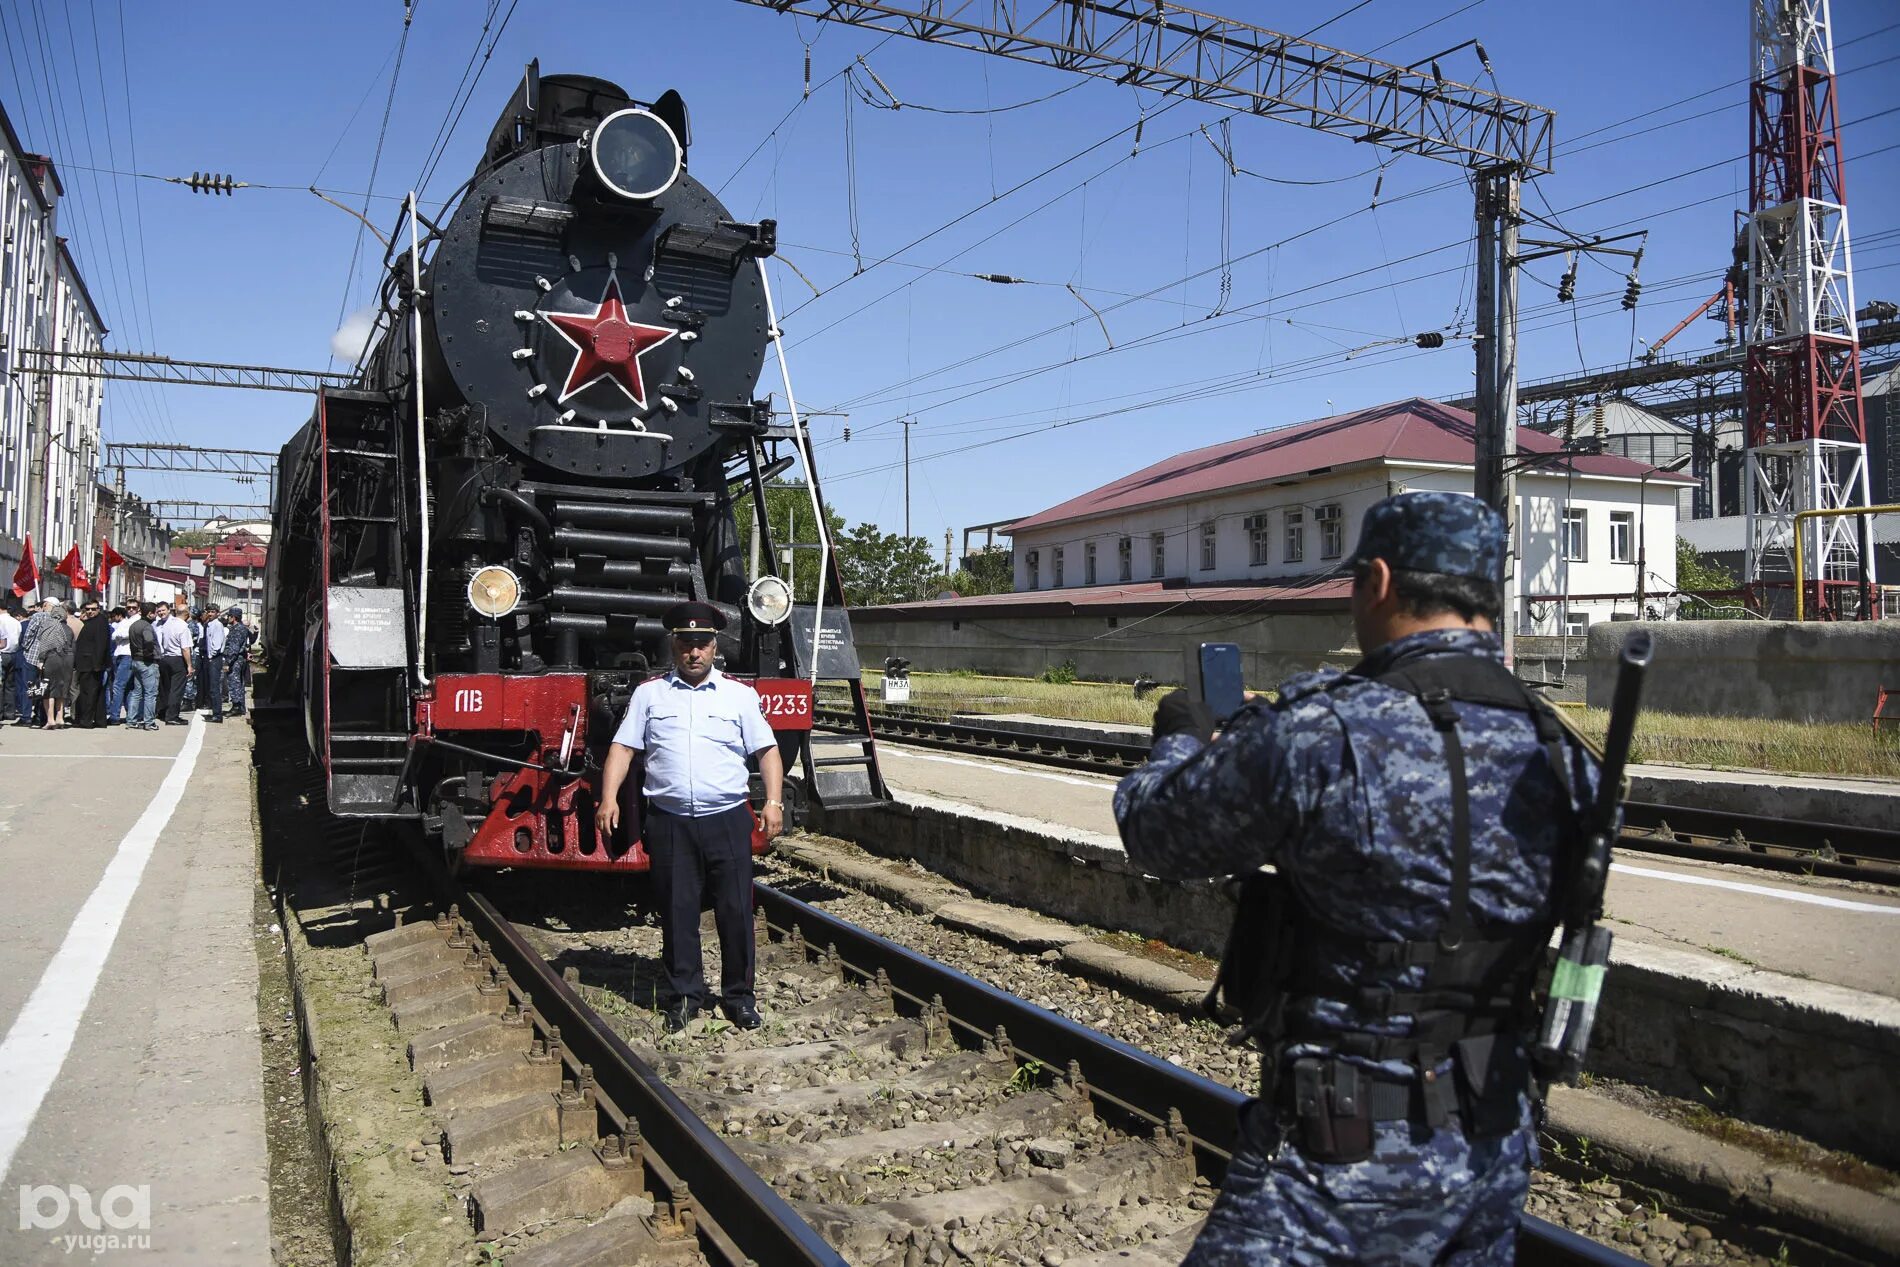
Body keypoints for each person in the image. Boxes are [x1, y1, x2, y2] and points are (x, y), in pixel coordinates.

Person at [1113, 492, 1599, 1267]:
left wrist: (1179, 740)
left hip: (1340, 1146)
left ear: (1377, 580)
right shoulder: (1560, 749)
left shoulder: (1324, 731)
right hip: (1492, 1137)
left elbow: (1157, 831)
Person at [594, 601, 785, 1033]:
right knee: (678, 913)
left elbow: (767, 751)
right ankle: (684, 997)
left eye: (702, 643)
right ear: (674, 646)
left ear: (715, 646)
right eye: (686, 643)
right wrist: (608, 799)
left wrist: (773, 801)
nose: (694, 652)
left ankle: (740, 998)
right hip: (671, 821)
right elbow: (623, 749)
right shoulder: (649, 695)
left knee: (736, 911)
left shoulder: (739, 695)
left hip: (726, 819)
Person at [33, 600, 77, 730]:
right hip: (68, 658)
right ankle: (60, 718)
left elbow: (45, 645)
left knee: (49, 689)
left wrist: (40, 660)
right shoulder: (68, 629)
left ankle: (50, 720)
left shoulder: (49, 626)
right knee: (63, 688)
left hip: (52, 658)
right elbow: (73, 646)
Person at [72, 600, 111, 728]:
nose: (90, 612)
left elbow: (101, 644)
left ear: (98, 609)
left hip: (92, 664)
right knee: (95, 693)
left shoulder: (100, 622)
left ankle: (86, 720)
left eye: (93, 609)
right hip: (87, 663)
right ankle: (99, 720)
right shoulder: (90, 621)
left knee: (89, 693)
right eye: (87, 609)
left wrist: (97, 665)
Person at [154, 604, 193, 725]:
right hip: (177, 659)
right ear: (187, 614)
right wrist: (189, 665)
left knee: (165, 687)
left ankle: (162, 711)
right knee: (176, 689)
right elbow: (185, 648)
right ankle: (172, 716)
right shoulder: (183, 627)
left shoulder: (167, 624)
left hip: (165, 658)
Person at [125, 603, 161, 730]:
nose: (157, 615)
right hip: (147, 662)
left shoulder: (134, 625)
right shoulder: (146, 627)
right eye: (155, 612)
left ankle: (131, 720)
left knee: (137, 692)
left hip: (136, 661)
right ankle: (149, 722)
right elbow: (149, 641)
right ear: (150, 614)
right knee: (150, 693)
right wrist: (149, 654)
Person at [196, 603, 226, 723]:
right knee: (211, 687)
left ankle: (217, 715)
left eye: (213, 612)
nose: (210, 614)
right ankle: (215, 712)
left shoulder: (217, 625)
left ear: (217, 613)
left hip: (214, 658)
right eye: (208, 611)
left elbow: (217, 644)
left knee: (214, 688)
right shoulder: (209, 624)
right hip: (211, 658)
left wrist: (211, 656)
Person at [220, 608, 252, 717]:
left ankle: (236, 706)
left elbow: (234, 648)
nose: (228, 618)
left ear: (233, 617)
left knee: (234, 683)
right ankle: (240, 706)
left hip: (235, 660)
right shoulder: (242, 628)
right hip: (240, 659)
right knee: (240, 683)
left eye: (229, 616)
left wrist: (227, 662)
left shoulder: (237, 629)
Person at [106, 605, 134, 724]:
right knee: (126, 687)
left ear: (118, 615)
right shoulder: (120, 625)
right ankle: (130, 715)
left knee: (118, 686)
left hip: (126, 655)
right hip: (121, 655)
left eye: (113, 616)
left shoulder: (127, 623)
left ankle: (115, 715)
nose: (112, 619)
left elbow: (120, 635)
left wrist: (117, 635)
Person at [0, 598, 21, 723]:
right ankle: (10, 712)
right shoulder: (15, 621)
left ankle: (1, 712)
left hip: (2, 654)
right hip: (14, 654)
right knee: (10, 685)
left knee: (1, 685)